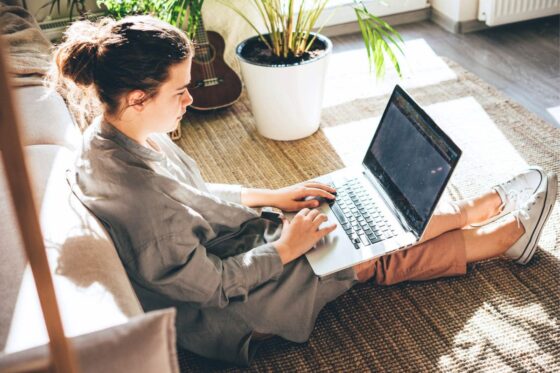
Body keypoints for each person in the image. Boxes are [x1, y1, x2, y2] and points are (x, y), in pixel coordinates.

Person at [49, 15, 557, 365]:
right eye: (180, 90)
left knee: (347, 225)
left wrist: (271, 194)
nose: (190, 98)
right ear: (138, 98)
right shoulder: (139, 199)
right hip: (228, 312)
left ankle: (501, 234)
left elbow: (197, 194)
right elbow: (212, 285)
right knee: (363, 250)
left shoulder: (118, 135)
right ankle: (489, 220)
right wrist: (286, 247)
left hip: (231, 256)